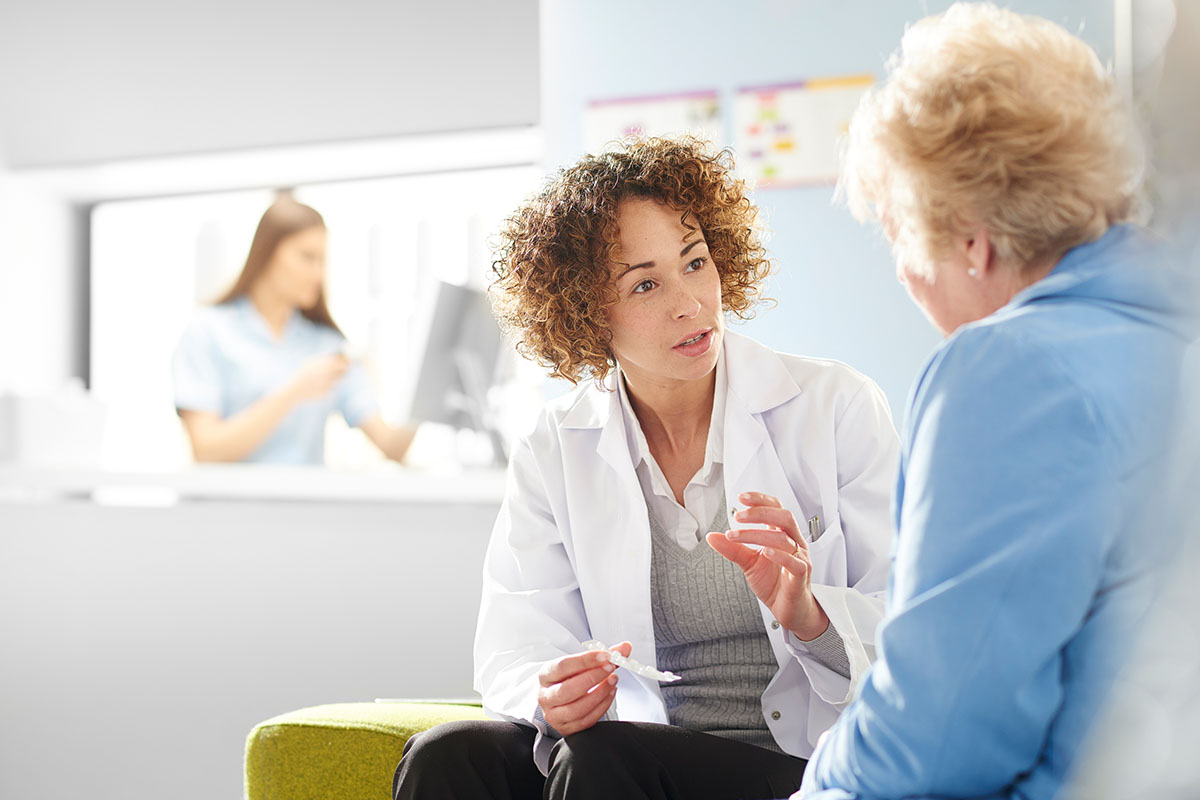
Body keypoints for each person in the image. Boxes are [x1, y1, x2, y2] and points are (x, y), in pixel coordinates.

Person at [392, 136, 900, 800]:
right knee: (447, 756)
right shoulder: (554, 446)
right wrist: (553, 693)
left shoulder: (835, 406)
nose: (690, 302)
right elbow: (514, 647)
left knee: (606, 759)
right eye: (647, 283)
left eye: (695, 263)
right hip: (623, 751)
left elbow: (911, 628)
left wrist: (808, 611)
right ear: (585, 312)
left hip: (796, 764)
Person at [798, 4, 1198, 799]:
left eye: (901, 240)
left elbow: (934, 742)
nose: (907, 278)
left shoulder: (1010, 370)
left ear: (972, 244)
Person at [172, 194, 416, 465]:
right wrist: (295, 391)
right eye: (306, 257)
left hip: (304, 506)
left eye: (322, 260)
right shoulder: (208, 332)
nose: (318, 274)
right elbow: (206, 451)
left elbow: (392, 446)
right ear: (267, 255)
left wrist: (429, 385)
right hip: (230, 507)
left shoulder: (327, 346)